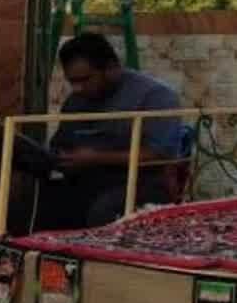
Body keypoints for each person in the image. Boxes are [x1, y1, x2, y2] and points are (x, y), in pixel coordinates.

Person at [45, 33, 184, 229]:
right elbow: (61, 143)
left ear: (111, 68)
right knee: (38, 199)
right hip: (87, 180)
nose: (77, 88)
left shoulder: (156, 96)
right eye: (72, 81)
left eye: (84, 79)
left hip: (143, 183)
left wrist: (95, 158)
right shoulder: (76, 101)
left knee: (102, 210)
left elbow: (160, 154)